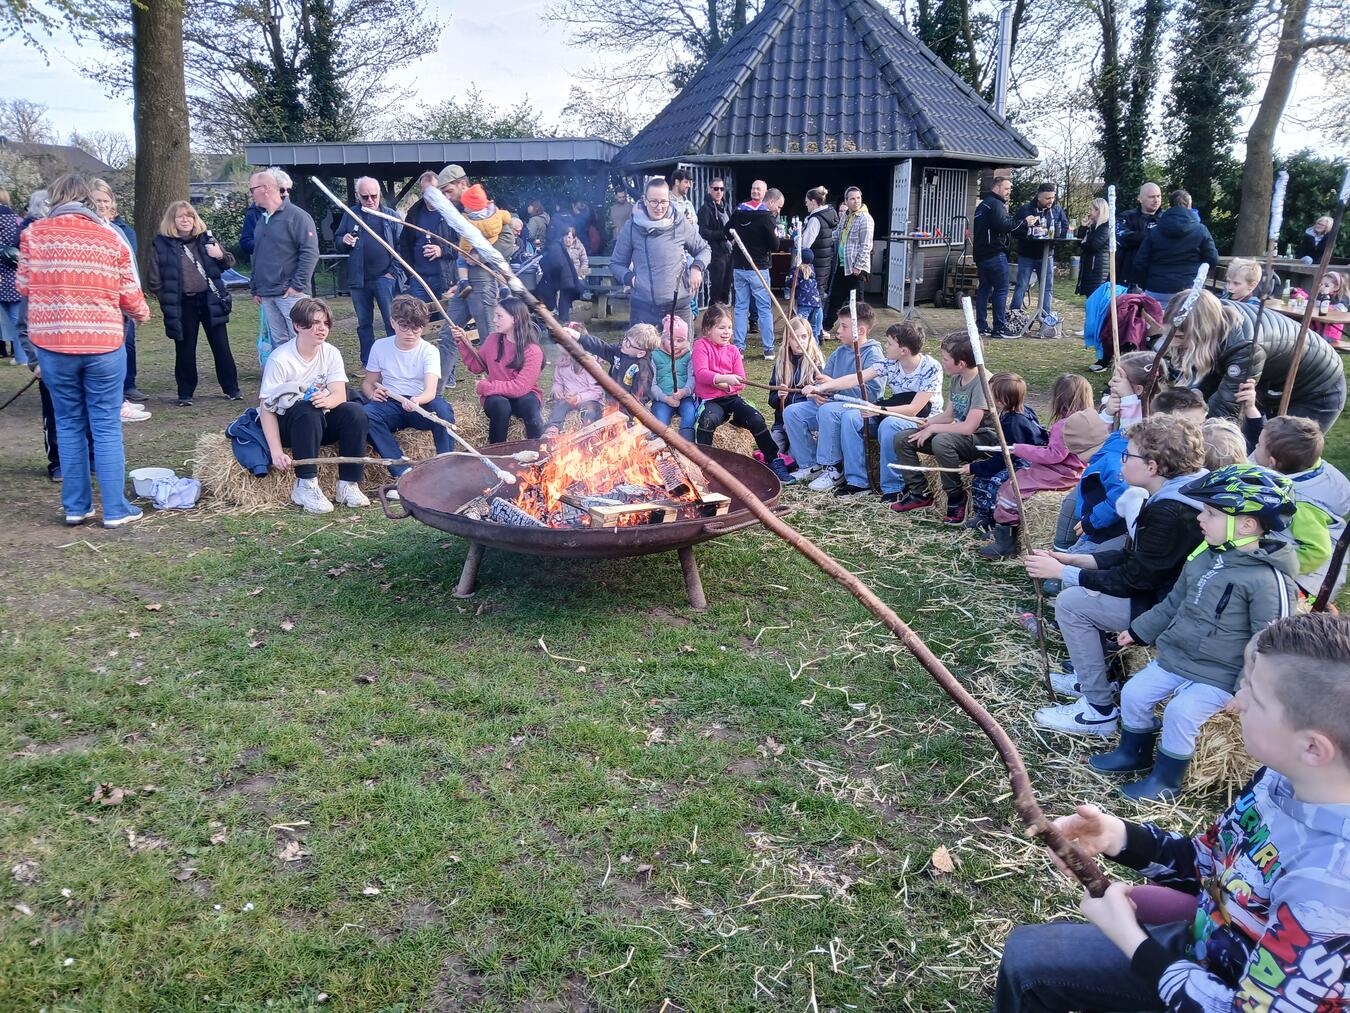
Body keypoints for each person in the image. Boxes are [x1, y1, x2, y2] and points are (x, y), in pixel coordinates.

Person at [994, 610, 1350, 1013]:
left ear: (1313, 748)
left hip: (1220, 990)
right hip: (1209, 944)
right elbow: (1212, 859)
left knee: (1032, 965)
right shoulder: (1281, 780)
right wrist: (1120, 838)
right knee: (1030, 955)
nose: (1237, 702)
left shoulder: (1329, 887)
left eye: (1255, 694)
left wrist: (1133, 942)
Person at [1097, 464, 1300, 799]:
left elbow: (1270, 643)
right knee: (1134, 692)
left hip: (1221, 673)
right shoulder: (1206, 557)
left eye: (1210, 513)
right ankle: (1132, 753)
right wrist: (1139, 631)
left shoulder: (1267, 580)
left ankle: (1166, 780)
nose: (1200, 519)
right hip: (1178, 657)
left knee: (1181, 711)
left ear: (1246, 524)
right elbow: (1175, 602)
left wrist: (1248, 688)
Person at [1024, 414, 1207, 736]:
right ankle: (1091, 678)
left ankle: (1098, 710)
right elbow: (1133, 556)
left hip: (1169, 609)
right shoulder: (1171, 495)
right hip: (1162, 594)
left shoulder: (1170, 512)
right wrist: (1075, 559)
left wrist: (1065, 574)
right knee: (1078, 594)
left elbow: (1136, 579)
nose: (1122, 461)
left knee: (1071, 603)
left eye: (1128, 455)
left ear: (1152, 466)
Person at [18, 172, 151, 528]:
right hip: (104, 343)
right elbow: (129, 293)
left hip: (53, 343)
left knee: (68, 423)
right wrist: (142, 313)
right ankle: (115, 509)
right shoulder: (110, 236)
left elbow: (24, 287)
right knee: (106, 426)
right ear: (89, 200)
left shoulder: (33, 235)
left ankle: (76, 506)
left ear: (55, 199)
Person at [1165, 289, 1345, 431]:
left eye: (1180, 337)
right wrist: (1198, 390)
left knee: (1288, 453)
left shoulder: (1245, 346)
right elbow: (1212, 368)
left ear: (1201, 332)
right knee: (1260, 443)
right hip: (1276, 383)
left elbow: (1226, 411)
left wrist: (1193, 437)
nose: (1172, 343)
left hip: (1318, 389)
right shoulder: (1214, 316)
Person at [258, 298, 370, 514]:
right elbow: (266, 409)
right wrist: (276, 452)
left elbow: (339, 393)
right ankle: (306, 484)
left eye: (326, 323)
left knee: (355, 411)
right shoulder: (280, 359)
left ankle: (348, 483)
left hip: (321, 423)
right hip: (291, 426)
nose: (322, 329)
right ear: (299, 326)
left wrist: (327, 401)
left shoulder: (331, 353)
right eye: (316, 323)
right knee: (307, 410)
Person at [978, 375, 1100, 558]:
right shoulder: (1091, 417)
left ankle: (1005, 540)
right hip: (1074, 470)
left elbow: (1054, 455)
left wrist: (1019, 449)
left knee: (1011, 488)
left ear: (1059, 398)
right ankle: (1003, 531)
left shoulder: (1064, 425)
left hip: (1061, 472)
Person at [889, 331, 997, 524]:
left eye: (946, 359)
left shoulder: (982, 383)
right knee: (903, 438)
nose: (942, 361)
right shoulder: (957, 378)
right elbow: (949, 416)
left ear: (961, 363)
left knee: (941, 441)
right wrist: (927, 423)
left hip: (984, 441)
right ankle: (919, 493)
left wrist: (934, 429)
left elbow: (969, 427)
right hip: (963, 436)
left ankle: (956, 497)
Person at [782, 300, 885, 489]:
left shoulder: (874, 355)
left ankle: (833, 467)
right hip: (831, 404)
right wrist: (816, 393)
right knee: (792, 412)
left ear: (861, 330)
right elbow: (822, 381)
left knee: (828, 411)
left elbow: (870, 394)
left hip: (857, 409)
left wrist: (832, 387)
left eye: (844, 326)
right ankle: (810, 464)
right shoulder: (839, 352)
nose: (837, 331)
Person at [147, 200, 241, 407]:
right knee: (185, 349)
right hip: (183, 303)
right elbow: (154, 278)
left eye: (189, 216)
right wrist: (168, 298)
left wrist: (219, 255)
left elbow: (227, 263)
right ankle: (185, 393)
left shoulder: (205, 238)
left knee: (221, 346)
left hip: (210, 299)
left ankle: (232, 389)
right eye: (180, 216)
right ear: (172, 220)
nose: (185, 220)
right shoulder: (161, 243)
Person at [838, 320, 945, 501]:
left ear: (903, 351)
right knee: (850, 417)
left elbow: (914, 409)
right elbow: (856, 379)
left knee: (889, 424)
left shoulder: (931, 368)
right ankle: (857, 482)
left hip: (922, 420)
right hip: (890, 410)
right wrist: (823, 387)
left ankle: (894, 487)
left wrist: (880, 409)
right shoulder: (889, 363)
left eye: (889, 343)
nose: (885, 346)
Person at [1251, 413, 1350, 604]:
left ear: (1272, 463)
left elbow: (1318, 551)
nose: (1255, 447)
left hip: (1308, 581)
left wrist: (1276, 561)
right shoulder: (1312, 467)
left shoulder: (1302, 504)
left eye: (1258, 445)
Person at [689, 302, 794, 481]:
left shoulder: (733, 350)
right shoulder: (701, 345)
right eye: (721, 328)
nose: (726, 332)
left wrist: (728, 385)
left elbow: (741, 381)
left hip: (732, 398)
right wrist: (724, 379)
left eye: (729, 327)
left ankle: (773, 459)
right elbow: (701, 374)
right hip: (710, 401)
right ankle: (705, 465)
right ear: (707, 329)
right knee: (706, 421)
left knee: (756, 418)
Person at [359, 294, 454, 481]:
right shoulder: (380, 346)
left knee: (443, 412)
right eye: (404, 326)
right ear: (392, 322)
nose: (410, 333)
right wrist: (372, 394)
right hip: (391, 402)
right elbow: (368, 383)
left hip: (421, 402)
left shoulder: (429, 351)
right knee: (366, 414)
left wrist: (417, 400)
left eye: (416, 327)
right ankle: (401, 469)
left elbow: (430, 391)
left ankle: (446, 465)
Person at [610, 176, 709, 332]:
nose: (659, 207)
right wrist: (632, 279)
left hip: (678, 306)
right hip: (643, 306)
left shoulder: (680, 222)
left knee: (681, 356)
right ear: (645, 200)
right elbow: (616, 263)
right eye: (654, 201)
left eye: (663, 201)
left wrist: (697, 267)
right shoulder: (631, 227)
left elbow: (704, 249)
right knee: (642, 355)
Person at [451, 296, 544, 444]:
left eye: (499, 316)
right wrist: (463, 342)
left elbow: (520, 388)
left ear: (516, 318)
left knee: (530, 406)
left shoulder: (533, 351)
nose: (494, 320)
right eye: (495, 315)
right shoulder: (493, 340)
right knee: (501, 406)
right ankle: (495, 453)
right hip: (497, 398)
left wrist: (486, 387)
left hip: (523, 395)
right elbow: (477, 366)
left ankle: (538, 451)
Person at [399, 170, 460, 391]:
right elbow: (404, 243)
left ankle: (447, 374)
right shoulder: (414, 213)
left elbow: (461, 246)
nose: (429, 196)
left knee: (447, 326)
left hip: (445, 280)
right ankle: (420, 372)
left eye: (433, 191)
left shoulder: (450, 212)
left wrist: (441, 250)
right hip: (419, 279)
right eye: (425, 192)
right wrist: (409, 271)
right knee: (418, 324)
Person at [89, 178, 147, 409]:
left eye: (105, 200)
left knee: (124, 347)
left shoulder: (118, 230)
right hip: (100, 302)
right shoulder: (91, 230)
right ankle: (113, 399)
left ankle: (122, 392)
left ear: (112, 203)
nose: (101, 205)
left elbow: (128, 266)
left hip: (121, 300)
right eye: (96, 200)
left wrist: (135, 301)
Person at [967, 372, 1048, 533]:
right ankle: (983, 516)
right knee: (983, 479)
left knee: (993, 482)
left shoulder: (1013, 423)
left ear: (1000, 400)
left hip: (1024, 462)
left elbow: (1004, 460)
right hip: (1020, 456)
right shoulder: (1020, 410)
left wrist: (973, 468)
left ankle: (993, 521)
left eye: (989, 393)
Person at [248, 169, 319, 347]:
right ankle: (286, 375)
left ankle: (306, 375)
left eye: (252, 189)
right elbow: (257, 255)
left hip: (290, 293)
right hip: (267, 293)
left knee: (301, 340)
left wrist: (297, 286)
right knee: (279, 342)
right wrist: (255, 287)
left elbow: (310, 252)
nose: (251, 194)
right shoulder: (262, 220)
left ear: (265, 188)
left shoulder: (298, 217)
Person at [338, 177, 403, 367]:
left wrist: (393, 272)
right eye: (365, 197)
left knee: (392, 321)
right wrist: (344, 240)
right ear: (358, 196)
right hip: (359, 280)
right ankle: (368, 362)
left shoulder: (390, 215)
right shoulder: (351, 215)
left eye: (373, 196)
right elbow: (338, 238)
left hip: (385, 278)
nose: (370, 200)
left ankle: (394, 361)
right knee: (364, 324)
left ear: (379, 194)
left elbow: (402, 246)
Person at [728, 180, 787, 358]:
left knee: (740, 307)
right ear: (770, 199)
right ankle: (768, 348)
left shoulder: (739, 211)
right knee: (763, 308)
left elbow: (726, 230)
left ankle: (739, 347)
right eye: (779, 206)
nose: (778, 210)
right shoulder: (766, 216)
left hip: (739, 266)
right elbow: (775, 245)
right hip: (758, 268)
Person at [1131, 189, 1220, 306]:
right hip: (1189, 289)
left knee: (1154, 322)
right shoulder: (1201, 230)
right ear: (1189, 205)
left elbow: (1140, 262)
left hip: (1157, 288)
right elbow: (1212, 259)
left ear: (1170, 205)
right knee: (1188, 323)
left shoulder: (1155, 231)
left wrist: (1146, 284)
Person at [971, 176, 1033, 338]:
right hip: (994, 253)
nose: (1009, 192)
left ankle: (981, 325)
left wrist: (1019, 227)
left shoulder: (983, 205)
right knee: (1001, 289)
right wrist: (1025, 222)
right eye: (1006, 189)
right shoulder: (995, 204)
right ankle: (999, 327)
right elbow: (1004, 225)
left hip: (981, 254)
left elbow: (999, 226)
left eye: (1010, 189)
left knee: (984, 289)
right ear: (996, 187)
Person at [767, 317, 825, 457]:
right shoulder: (782, 363)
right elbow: (771, 399)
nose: (800, 341)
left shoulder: (816, 363)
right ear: (788, 340)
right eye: (794, 338)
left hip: (802, 423)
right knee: (773, 451)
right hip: (781, 424)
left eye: (804, 336)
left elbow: (819, 400)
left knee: (795, 458)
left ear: (810, 337)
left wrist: (792, 419)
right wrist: (779, 396)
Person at [1009, 183, 1069, 313]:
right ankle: (1013, 315)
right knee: (1022, 286)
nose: (1051, 201)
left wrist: (1057, 236)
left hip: (1047, 255)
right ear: (1038, 196)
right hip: (1027, 254)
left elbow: (1065, 226)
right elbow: (1014, 230)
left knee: (1047, 287)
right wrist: (1027, 228)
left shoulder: (1057, 209)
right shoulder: (1025, 209)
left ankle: (1045, 317)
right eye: (1047, 198)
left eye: (1053, 197)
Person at [577, 321, 661, 409]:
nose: (624, 343)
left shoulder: (643, 370)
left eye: (629, 343)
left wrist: (623, 413)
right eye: (626, 338)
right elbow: (602, 348)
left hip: (629, 411)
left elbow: (638, 399)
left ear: (640, 353)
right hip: (613, 402)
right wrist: (579, 337)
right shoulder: (620, 351)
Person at [825, 187, 874, 329]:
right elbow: (837, 234)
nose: (856, 201)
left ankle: (859, 330)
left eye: (858, 198)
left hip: (855, 268)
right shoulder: (846, 216)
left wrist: (858, 266)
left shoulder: (865, 219)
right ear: (846, 201)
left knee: (857, 303)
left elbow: (866, 245)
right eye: (852, 198)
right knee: (835, 298)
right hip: (842, 265)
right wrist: (822, 236)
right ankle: (825, 328)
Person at [543, 327, 605, 439]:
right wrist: (557, 391)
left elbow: (597, 391)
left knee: (590, 409)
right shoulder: (562, 363)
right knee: (559, 406)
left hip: (588, 399)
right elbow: (558, 381)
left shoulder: (589, 365)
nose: (559, 345)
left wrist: (579, 398)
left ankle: (589, 433)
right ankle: (552, 428)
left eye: (562, 342)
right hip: (568, 398)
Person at [650, 314, 695, 443]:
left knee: (690, 414)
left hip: (684, 398)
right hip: (662, 399)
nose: (675, 344)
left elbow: (692, 378)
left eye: (680, 341)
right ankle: (659, 446)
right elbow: (651, 384)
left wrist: (684, 392)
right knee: (659, 420)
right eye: (671, 339)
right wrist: (665, 398)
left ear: (686, 341)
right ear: (663, 338)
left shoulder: (689, 356)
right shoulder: (654, 356)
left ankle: (687, 445)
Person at [1116, 180, 1162, 289]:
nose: (1156, 200)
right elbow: (1123, 238)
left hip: (1156, 275)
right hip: (1127, 274)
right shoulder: (1126, 217)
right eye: (1151, 197)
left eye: (1159, 196)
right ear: (1140, 198)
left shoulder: (1167, 219)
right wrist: (1153, 237)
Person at [799, 187, 837, 316]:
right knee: (819, 294)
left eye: (807, 202)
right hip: (825, 261)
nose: (806, 204)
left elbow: (805, 243)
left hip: (816, 263)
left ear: (813, 201)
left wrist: (796, 238)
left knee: (814, 298)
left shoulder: (815, 219)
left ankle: (816, 330)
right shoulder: (829, 214)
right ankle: (818, 329)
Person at [240, 166, 290, 258]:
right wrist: (267, 245)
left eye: (289, 190)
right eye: (282, 190)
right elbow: (246, 242)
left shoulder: (296, 215)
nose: (286, 194)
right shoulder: (254, 213)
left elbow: (307, 249)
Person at [697, 177, 732, 306]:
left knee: (726, 287)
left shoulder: (725, 207)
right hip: (714, 253)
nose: (719, 192)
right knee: (716, 289)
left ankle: (722, 315)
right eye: (715, 189)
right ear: (709, 190)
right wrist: (722, 235)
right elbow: (703, 232)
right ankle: (712, 316)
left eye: (721, 189)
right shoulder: (705, 209)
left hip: (727, 251)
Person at [0, 188, 23, 363]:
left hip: (2, 274)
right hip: (17, 273)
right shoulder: (17, 220)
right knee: (19, 319)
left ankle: (21, 356)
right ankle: (21, 355)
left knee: (10, 320)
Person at [1074, 197, 1111, 299]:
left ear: (1098, 210)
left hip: (1098, 269)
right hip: (1090, 268)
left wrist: (1084, 243)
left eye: (1091, 209)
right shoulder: (1094, 227)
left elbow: (1093, 246)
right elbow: (1079, 243)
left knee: (1096, 299)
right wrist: (1083, 227)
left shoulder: (1105, 227)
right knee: (1089, 299)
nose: (1089, 212)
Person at [788, 248, 823, 339]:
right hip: (815, 303)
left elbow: (792, 283)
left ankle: (800, 342)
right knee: (813, 326)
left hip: (804, 303)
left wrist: (788, 279)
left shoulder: (798, 270)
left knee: (801, 324)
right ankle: (815, 346)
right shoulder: (812, 269)